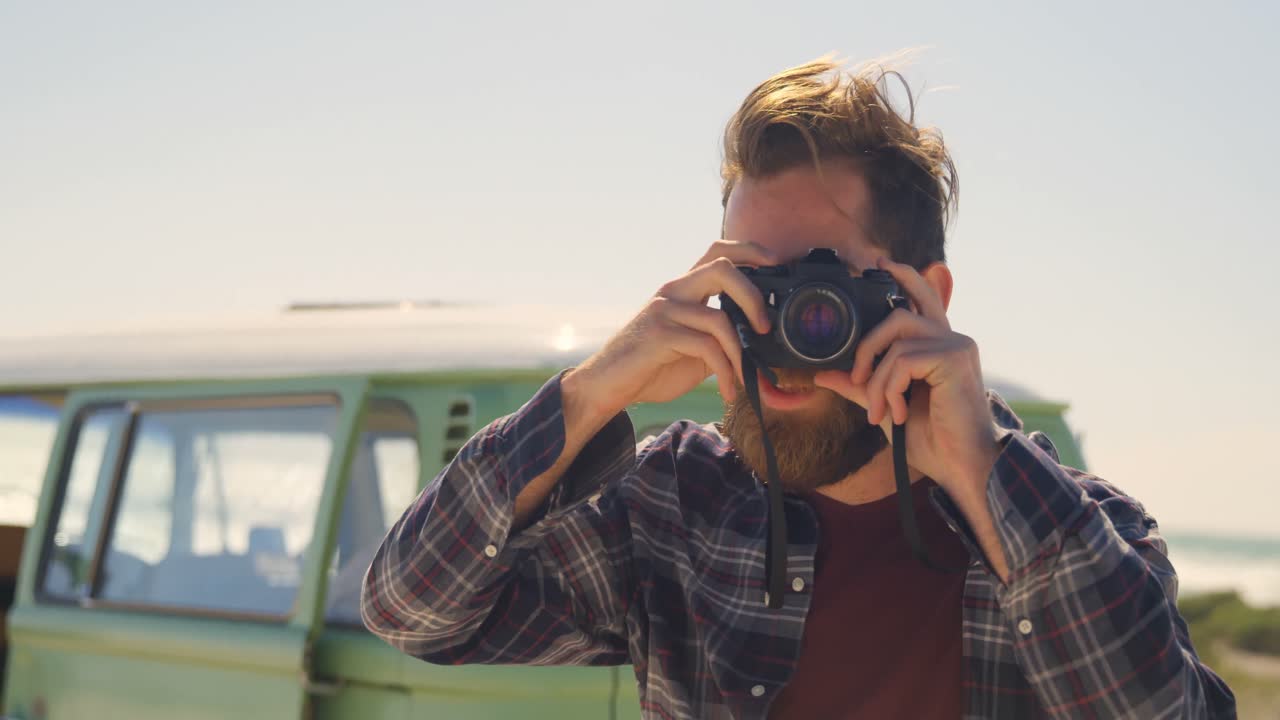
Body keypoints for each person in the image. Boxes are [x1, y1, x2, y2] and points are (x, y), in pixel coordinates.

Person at [361, 56, 1236, 719]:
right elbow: (414, 613)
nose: (780, 333)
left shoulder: (1088, 532)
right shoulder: (676, 506)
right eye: (752, 285)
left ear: (927, 297)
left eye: (821, 289)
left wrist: (983, 477)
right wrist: (593, 395)